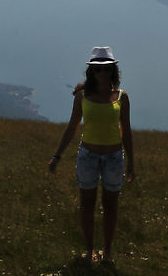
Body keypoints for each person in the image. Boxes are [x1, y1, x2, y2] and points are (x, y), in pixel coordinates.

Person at [48, 46, 135, 263]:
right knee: (86, 205)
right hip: (87, 155)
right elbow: (72, 126)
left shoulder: (122, 98)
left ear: (113, 71)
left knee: (110, 206)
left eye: (106, 69)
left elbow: (126, 130)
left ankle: (107, 252)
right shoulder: (82, 96)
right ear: (91, 72)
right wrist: (57, 155)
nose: (102, 73)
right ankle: (89, 251)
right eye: (98, 69)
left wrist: (131, 162)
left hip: (114, 157)